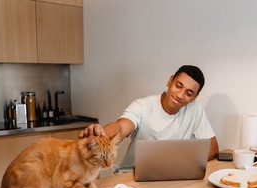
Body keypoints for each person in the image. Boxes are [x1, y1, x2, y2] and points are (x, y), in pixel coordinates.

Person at [80, 65, 219, 171]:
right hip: (130, 175)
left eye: (189, 93)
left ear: (195, 97)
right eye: (178, 86)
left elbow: (212, 148)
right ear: (170, 81)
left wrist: (181, 165)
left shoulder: (194, 109)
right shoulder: (143, 106)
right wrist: (100, 134)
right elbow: (121, 127)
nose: (180, 95)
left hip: (170, 177)